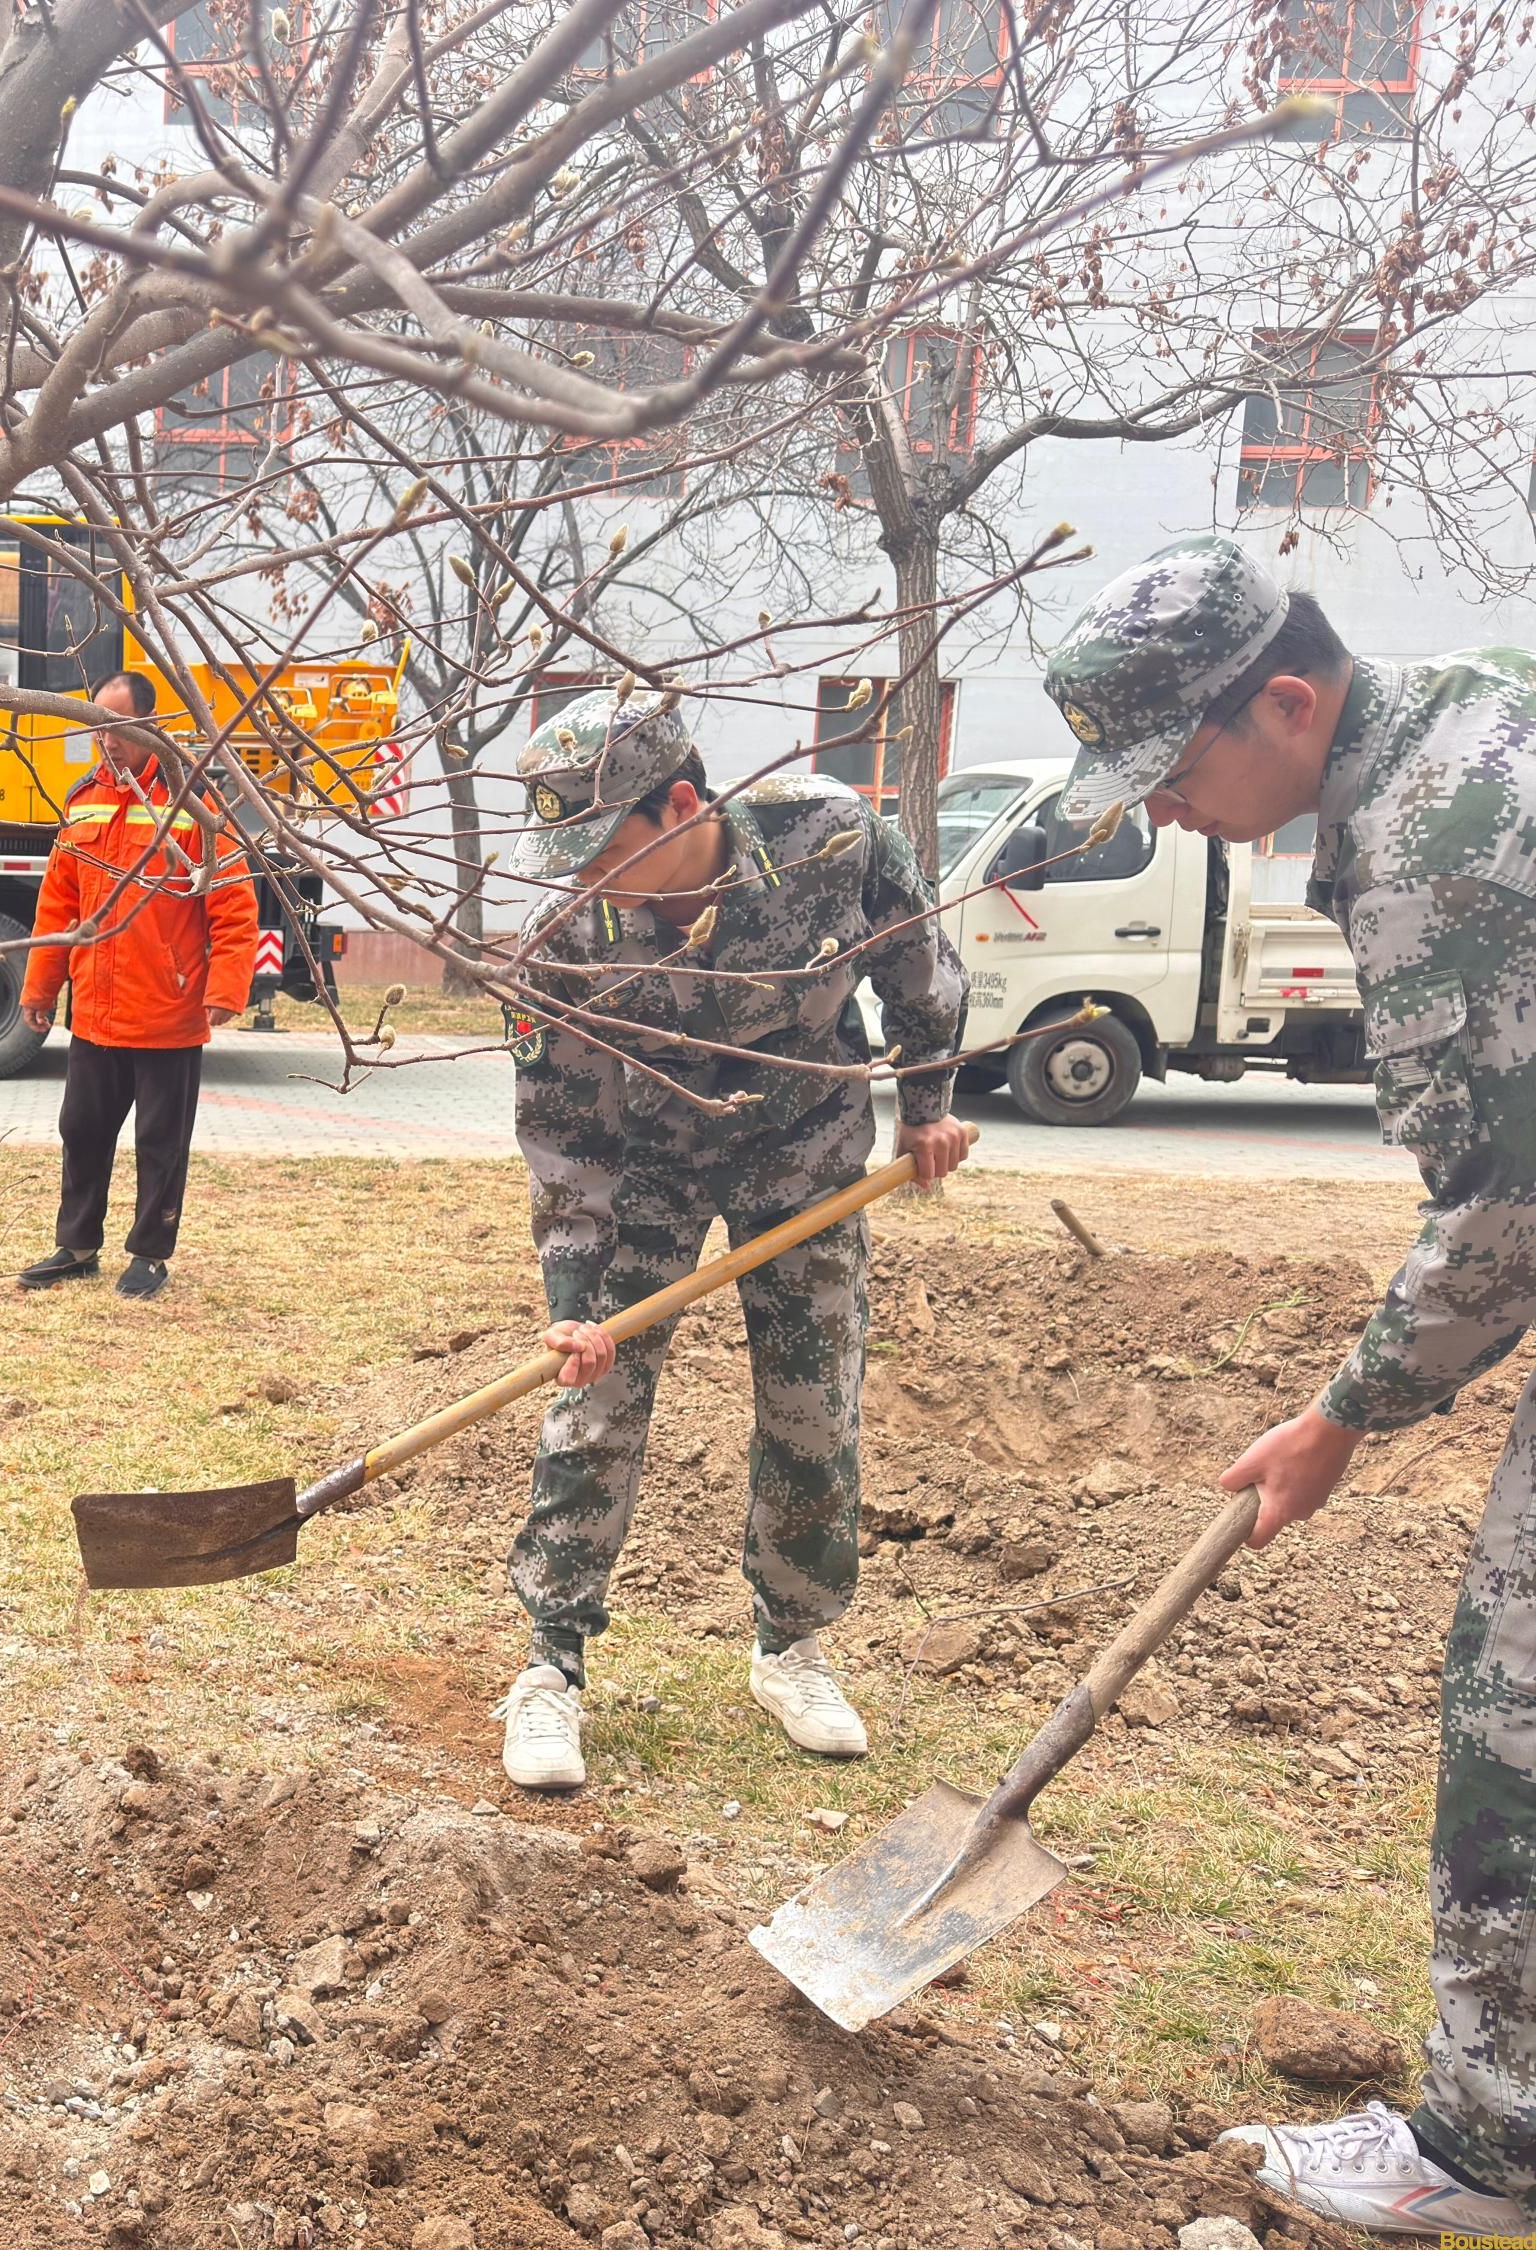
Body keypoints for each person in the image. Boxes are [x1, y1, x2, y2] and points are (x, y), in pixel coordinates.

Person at [1043, 536, 1536, 2236]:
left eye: (1175, 770)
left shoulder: (1442, 855)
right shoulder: (1478, 711)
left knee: (1519, 1708)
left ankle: (1490, 2153)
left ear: (1289, 701)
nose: (1165, 812)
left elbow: (1503, 1211)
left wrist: (1343, 1419)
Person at [496, 688, 969, 1791]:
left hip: (804, 1160)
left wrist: (931, 1106)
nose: (582, 876)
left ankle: (790, 1644)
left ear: (678, 804)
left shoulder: (831, 839)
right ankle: (550, 1667)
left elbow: (921, 974)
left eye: (602, 846)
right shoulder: (562, 938)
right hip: (647, 1174)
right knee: (593, 1407)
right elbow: (564, 1134)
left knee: (813, 1413)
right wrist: (574, 1291)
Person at [15, 669, 257, 1302]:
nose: (105, 740)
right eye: (97, 726)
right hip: (95, 1010)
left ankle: (150, 1254)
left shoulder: (195, 804)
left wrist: (226, 989)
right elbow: (57, 906)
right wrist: (40, 988)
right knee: (82, 1129)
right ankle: (77, 1245)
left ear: (150, 728)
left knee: (159, 1142)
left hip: (167, 1011)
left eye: (117, 728)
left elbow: (233, 904)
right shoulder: (83, 799)